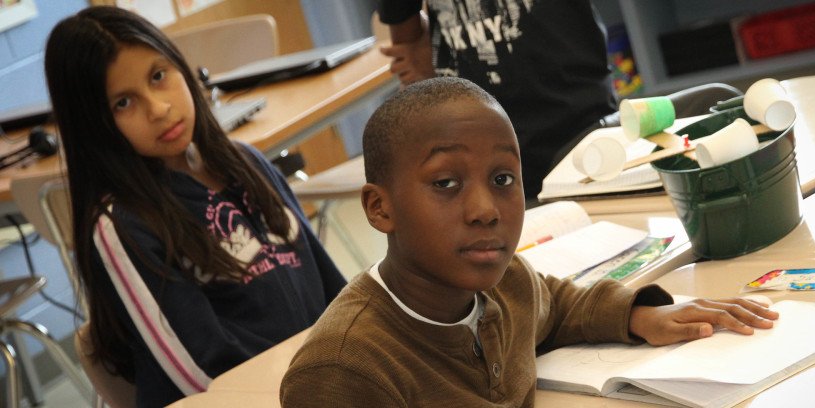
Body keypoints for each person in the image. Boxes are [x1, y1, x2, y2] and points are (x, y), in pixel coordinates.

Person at [279, 77, 777, 406]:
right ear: (379, 208)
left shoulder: (506, 283)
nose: (485, 210)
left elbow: (554, 305)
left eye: (503, 179)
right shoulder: (342, 372)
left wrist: (639, 315)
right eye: (445, 184)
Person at [43, 7, 347, 407]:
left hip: (316, 386)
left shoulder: (247, 162)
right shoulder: (122, 225)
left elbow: (334, 293)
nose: (158, 108)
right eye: (123, 103)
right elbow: (199, 371)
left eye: (158, 76)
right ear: (94, 125)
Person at [376, 1, 741, 199]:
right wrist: (421, 54)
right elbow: (403, 30)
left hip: (590, 136)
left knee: (723, 104)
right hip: (493, 165)